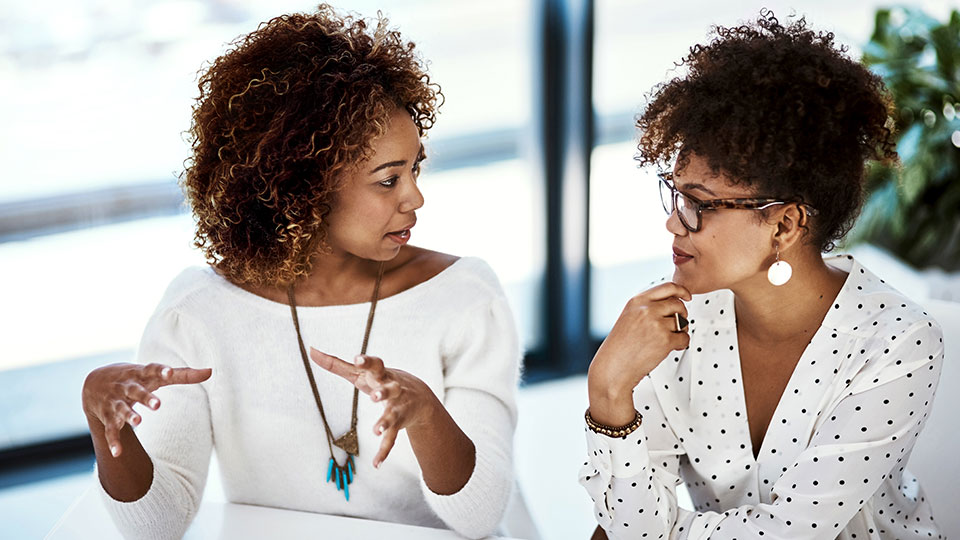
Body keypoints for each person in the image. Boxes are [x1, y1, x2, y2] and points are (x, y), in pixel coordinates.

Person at [80, 5, 520, 539]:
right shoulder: (197, 311)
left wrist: (424, 413)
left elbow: (480, 517)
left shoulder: (465, 298)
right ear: (304, 187)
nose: (415, 197)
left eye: (415, 169)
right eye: (388, 180)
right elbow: (159, 524)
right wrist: (107, 429)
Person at [581, 10, 944, 540]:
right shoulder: (670, 323)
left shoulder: (897, 344)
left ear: (785, 225)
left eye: (697, 204)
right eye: (675, 193)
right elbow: (625, 527)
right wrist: (608, 392)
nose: (672, 222)